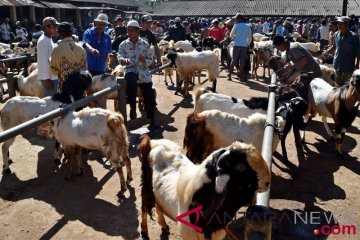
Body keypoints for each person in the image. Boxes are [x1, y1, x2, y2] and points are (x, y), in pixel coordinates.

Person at [117, 20, 158, 128]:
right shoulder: (123, 44)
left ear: (137, 31)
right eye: (128, 30)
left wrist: (144, 61)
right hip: (130, 69)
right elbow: (119, 56)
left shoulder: (145, 44)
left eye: (131, 30)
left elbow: (150, 60)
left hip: (143, 71)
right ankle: (133, 108)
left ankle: (151, 118)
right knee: (130, 80)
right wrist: (123, 60)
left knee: (148, 91)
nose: (129, 32)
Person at [322, 16, 360, 86]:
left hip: (348, 65)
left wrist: (357, 63)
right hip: (337, 63)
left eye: (341, 23)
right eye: (338, 23)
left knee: (347, 86)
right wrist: (325, 53)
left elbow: (358, 51)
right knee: (337, 85)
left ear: (346, 25)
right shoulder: (336, 35)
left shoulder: (354, 36)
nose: (338, 25)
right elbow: (334, 47)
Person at [50, 22, 87, 87]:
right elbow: (85, 68)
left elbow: (54, 71)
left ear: (58, 33)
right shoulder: (81, 48)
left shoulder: (57, 49)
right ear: (71, 33)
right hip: (81, 87)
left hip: (66, 88)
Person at [37, 17, 59, 96]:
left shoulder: (48, 38)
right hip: (49, 78)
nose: (56, 29)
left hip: (53, 75)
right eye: (54, 27)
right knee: (51, 100)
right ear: (46, 28)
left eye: (56, 26)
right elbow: (42, 62)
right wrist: (46, 79)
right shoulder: (43, 41)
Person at [228, 14, 252, 81]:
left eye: (236, 19)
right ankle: (241, 77)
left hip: (236, 45)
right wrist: (247, 44)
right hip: (244, 45)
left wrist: (234, 39)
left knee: (233, 60)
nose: (235, 20)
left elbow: (231, 35)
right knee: (242, 62)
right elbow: (250, 37)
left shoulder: (236, 25)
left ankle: (229, 76)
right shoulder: (248, 26)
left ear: (239, 19)